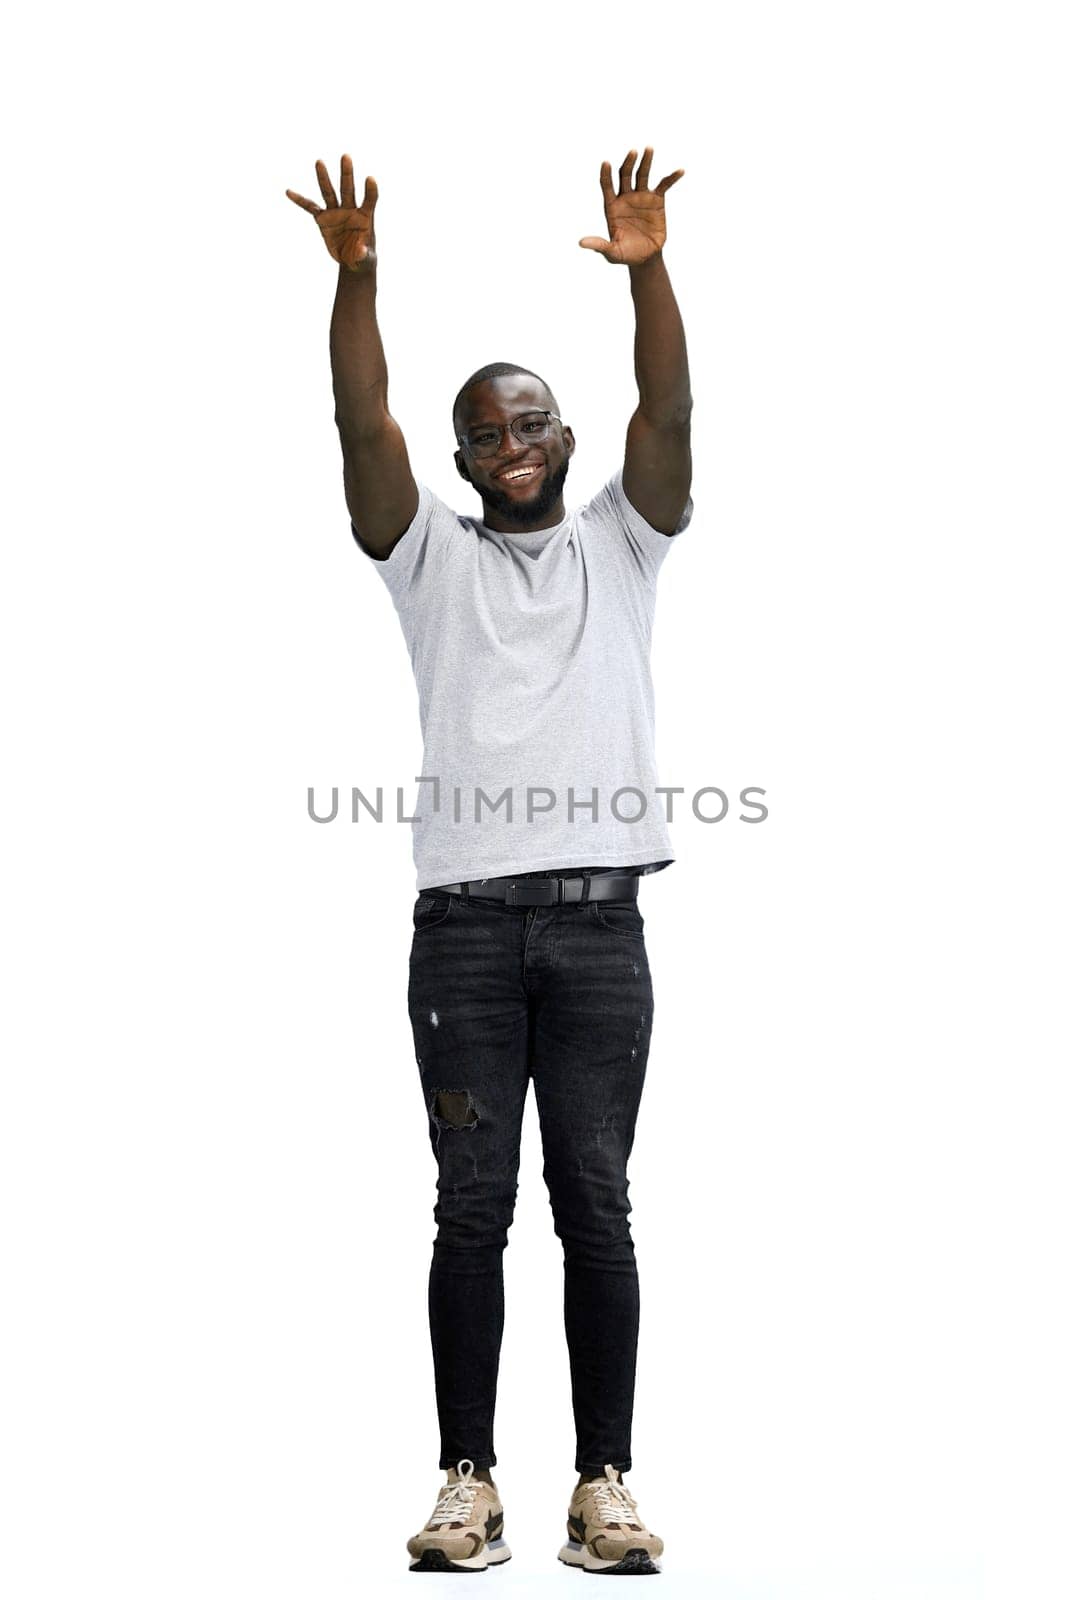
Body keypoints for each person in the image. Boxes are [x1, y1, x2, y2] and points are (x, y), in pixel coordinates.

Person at [286, 146, 693, 1576]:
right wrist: (358, 282)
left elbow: (672, 406)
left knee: (597, 1202)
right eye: (484, 430)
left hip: (600, 935)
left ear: (563, 435)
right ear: (463, 459)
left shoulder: (626, 543)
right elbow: (359, 426)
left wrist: (648, 272)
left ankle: (605, 1485)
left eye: (529, 419)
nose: (509, 438)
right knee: (472, 1209)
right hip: (463, 933)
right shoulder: (429, 561)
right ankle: (469, 1482)